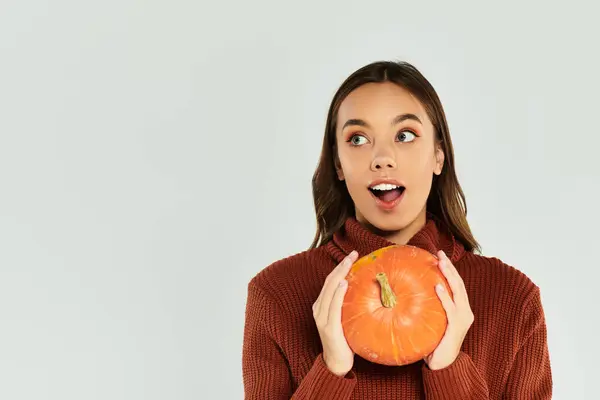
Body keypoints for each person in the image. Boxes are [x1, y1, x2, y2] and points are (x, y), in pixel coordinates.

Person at [241, 60, 552, 399]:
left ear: (438, 156)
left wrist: (449, 371)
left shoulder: (511, 298)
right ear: (338, 164)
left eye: (405, 135)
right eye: (358, 139)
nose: (382, 158)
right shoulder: (276, 294)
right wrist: (330, 372)